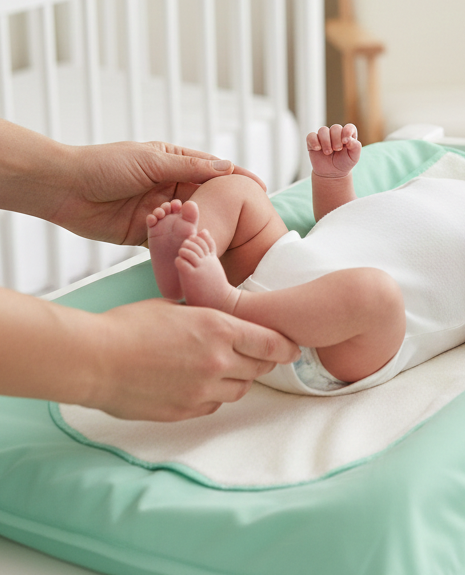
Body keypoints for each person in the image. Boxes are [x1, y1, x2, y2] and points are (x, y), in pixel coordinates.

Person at [146, 111, 465, 396]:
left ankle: (228, 306)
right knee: (239, 190)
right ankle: (181, 267)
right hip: (288, 268)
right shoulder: (440, 184)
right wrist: (333, 179)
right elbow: (346, 226)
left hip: (335, 344)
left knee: (374, 292)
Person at [0, 120, 300, 420]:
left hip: (295, 296)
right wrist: (105, 355)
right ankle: (190, 262)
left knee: (240, 191)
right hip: (302, 302)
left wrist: (72, 179)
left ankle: (194, 267)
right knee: (237, 187)